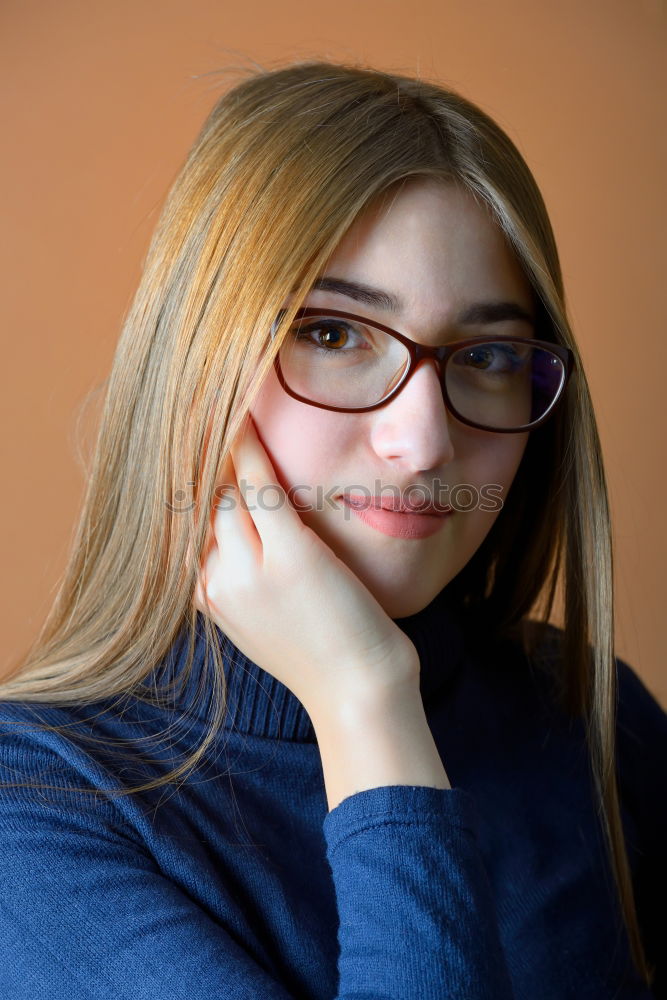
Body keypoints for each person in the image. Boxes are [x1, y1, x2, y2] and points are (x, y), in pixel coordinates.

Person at [0, 59, 664, 999]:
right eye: (333, 333)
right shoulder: (36, 809)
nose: (422, 440)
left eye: (486, 355)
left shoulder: (589, 716)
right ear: (195, 362)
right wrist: (366, 704)